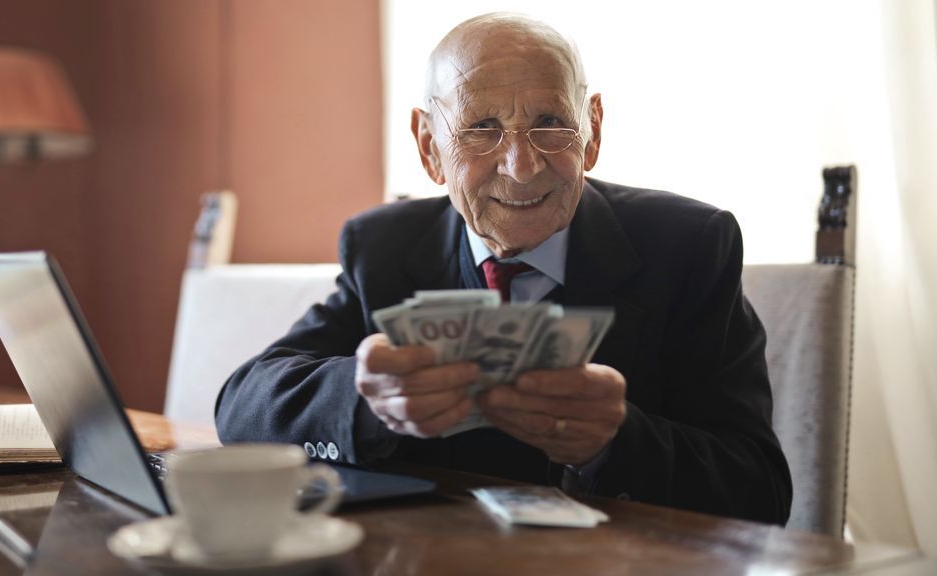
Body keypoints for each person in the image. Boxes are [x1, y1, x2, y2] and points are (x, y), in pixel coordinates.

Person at [216, 13, 792, 525]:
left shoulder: (688, 245)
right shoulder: (385, 247)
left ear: (591, 131)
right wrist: (368, 402)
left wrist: (616, 442)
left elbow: (760, 491)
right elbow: (242, 407)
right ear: (428, 147)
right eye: (482, 128)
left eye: (550, 122)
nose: (521, 167)